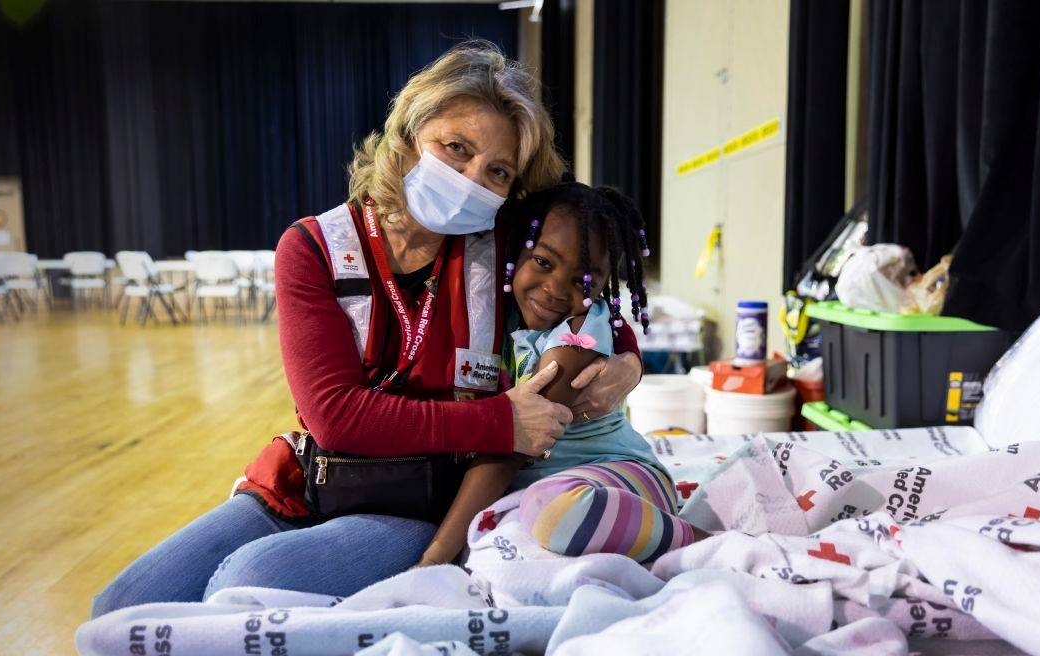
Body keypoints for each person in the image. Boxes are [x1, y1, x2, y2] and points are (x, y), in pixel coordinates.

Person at [91, 42, 643, 617]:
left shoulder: (499, 247)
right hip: (317, 478)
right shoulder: (313, 247)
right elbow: (335, 416)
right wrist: (500, 419)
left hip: (423, 502)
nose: (472, 180)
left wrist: (628, 355)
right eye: (455, 149)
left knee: (246, 582)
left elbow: (583, 274)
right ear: (404, 140)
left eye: (497, 171)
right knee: (121, 605)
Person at [416, 183, 704, 568]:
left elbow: (512, 448)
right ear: (516, 250)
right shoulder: (495, 316)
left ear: (602, 287)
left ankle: (696, 540)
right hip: (548, 491)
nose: (555, 290)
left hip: (624, 479)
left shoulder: (578, 334)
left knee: (549, 509)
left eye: (583, 282)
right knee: (507, 531)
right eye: (544, 263)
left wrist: (433, 558)